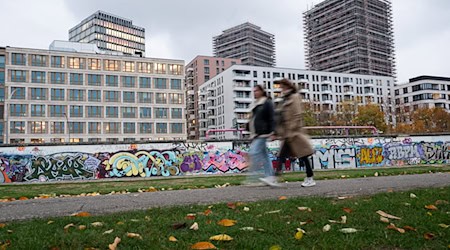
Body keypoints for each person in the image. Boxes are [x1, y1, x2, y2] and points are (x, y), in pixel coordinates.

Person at [273, 78, 316, 187]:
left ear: (287, 86)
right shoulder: (285, 99)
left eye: (282, 86)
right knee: (282, 155)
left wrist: (292, 129)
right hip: (288, 133)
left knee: (303, 155)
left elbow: (297, 115)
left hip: (294, 133)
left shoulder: (294, 97)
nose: (281, 89)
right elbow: (281, 117)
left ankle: (310, 177)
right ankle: (275, 176)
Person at [245, 85, 280, 187]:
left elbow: (272, 118)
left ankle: (253, 178)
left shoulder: (266, 103)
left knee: (254, 152)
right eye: (254, 91)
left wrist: (274, 132)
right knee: (265, 156)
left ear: (261, 91)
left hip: (263, 133)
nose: (254, 93)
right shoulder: (256, 104)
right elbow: (253, 119)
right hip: (256, 133)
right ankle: (270, 177)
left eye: (256, 91)